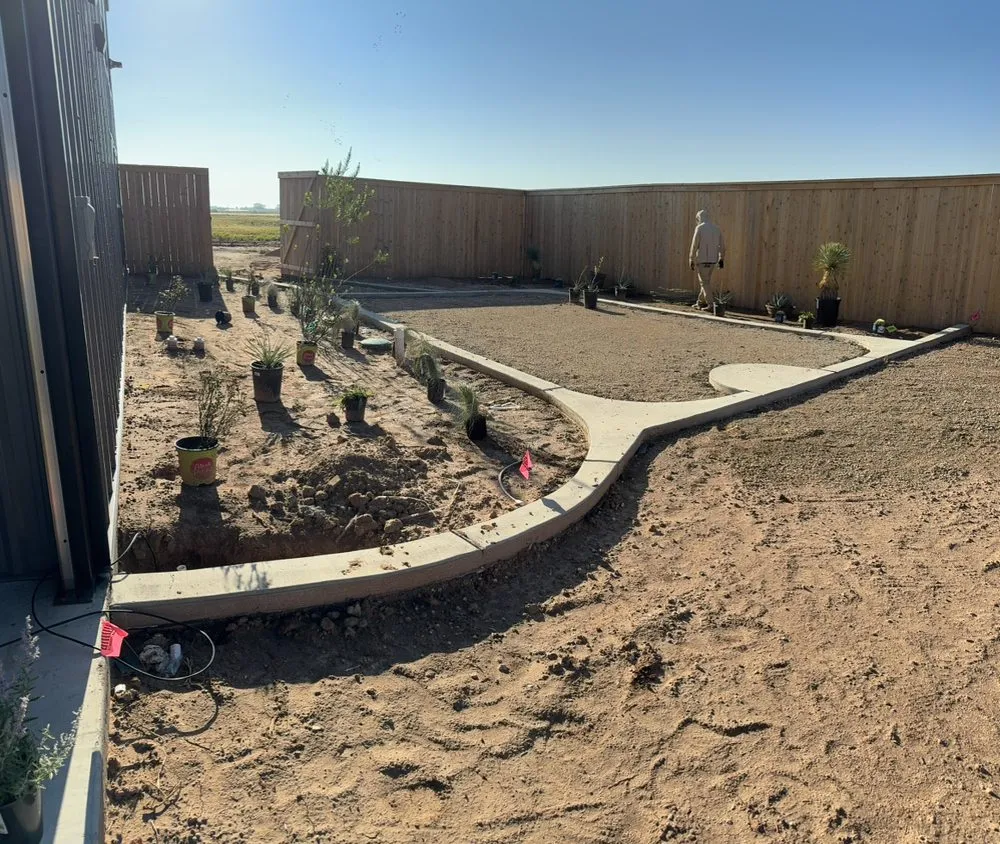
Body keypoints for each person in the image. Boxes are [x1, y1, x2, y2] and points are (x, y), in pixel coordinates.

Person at [689, 209, 725, 310]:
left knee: (704, 282)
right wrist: (721, 258)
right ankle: (699, 303)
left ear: (699, 218)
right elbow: (722, 245)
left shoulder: (699, 228)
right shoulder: (717, 228)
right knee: (705, 282)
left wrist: (691, 258)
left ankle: (711, 304)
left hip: (702, 260)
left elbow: (694, 245)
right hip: (713, 260)